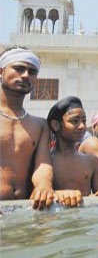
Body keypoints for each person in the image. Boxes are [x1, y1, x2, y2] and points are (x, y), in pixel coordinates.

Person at [0, 48, 59, 209]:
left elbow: (43, 164)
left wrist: (44, 185)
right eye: (19, 68)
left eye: (32, 71)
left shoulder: (40, 125)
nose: (25, 75)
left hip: (23, 210)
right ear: (1, 71)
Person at [47, 96, 98, 198]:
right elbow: (36, 194)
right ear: (56, 125)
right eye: (74, 121)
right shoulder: (45, 162)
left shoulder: (92, 162)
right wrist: (58, 195)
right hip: (55, 214)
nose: (82, 126)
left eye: (84, 121)